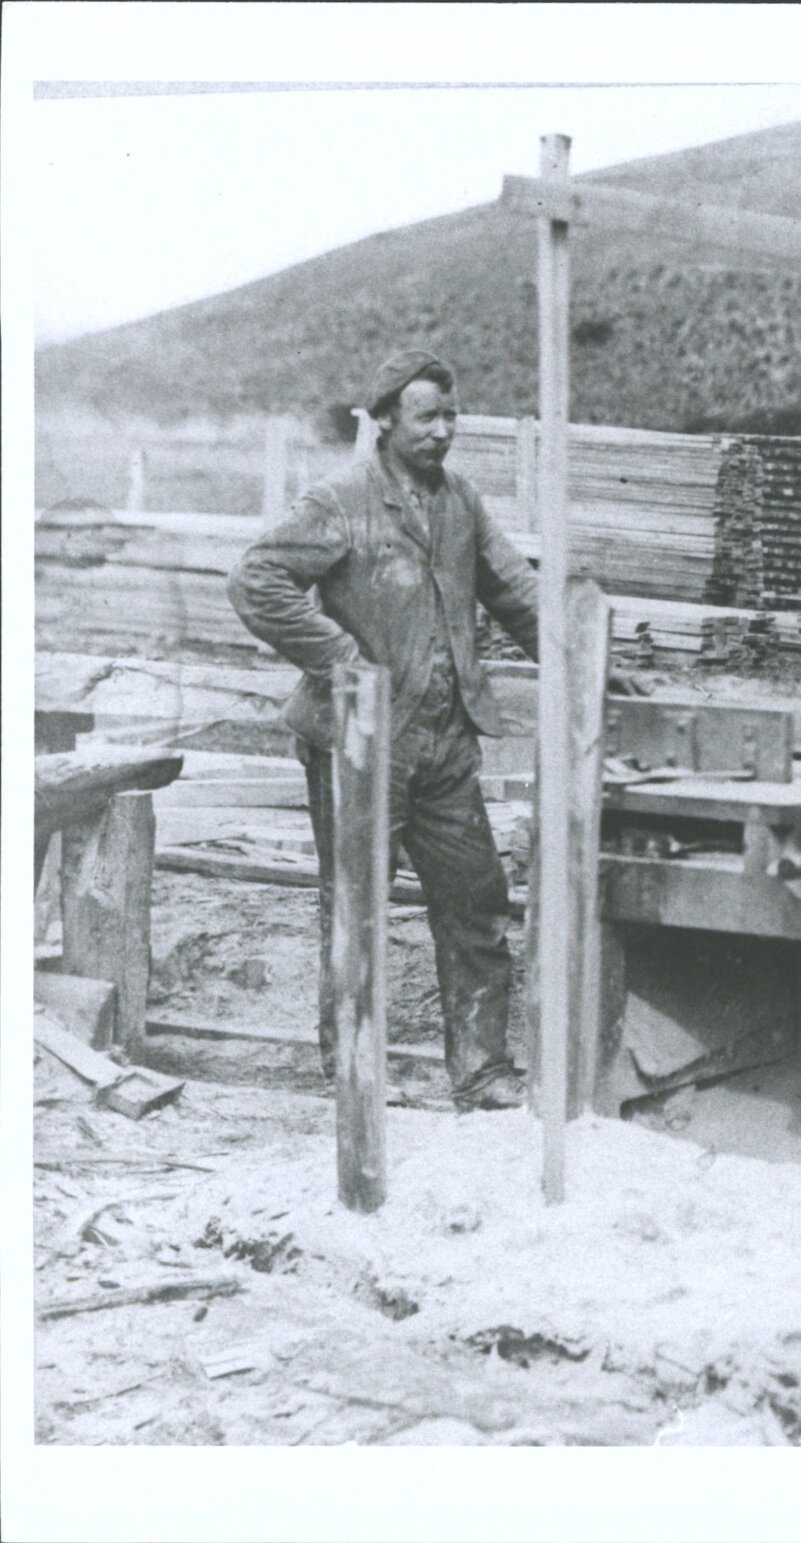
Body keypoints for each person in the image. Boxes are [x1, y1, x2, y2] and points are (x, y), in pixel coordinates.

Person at [229, 349, 540, 1111]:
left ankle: (482, 1070)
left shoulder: (460, 500)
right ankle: (354, 1066)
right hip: (360, 740)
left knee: (476, 899)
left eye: (451, 416)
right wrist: (344, 660)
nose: (443, 431)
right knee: (357, 902)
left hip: (446, 740)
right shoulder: (340, 499)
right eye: (427, 417)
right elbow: (256, 580)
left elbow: (516, 592)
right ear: (385, 419)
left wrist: (589, 661)